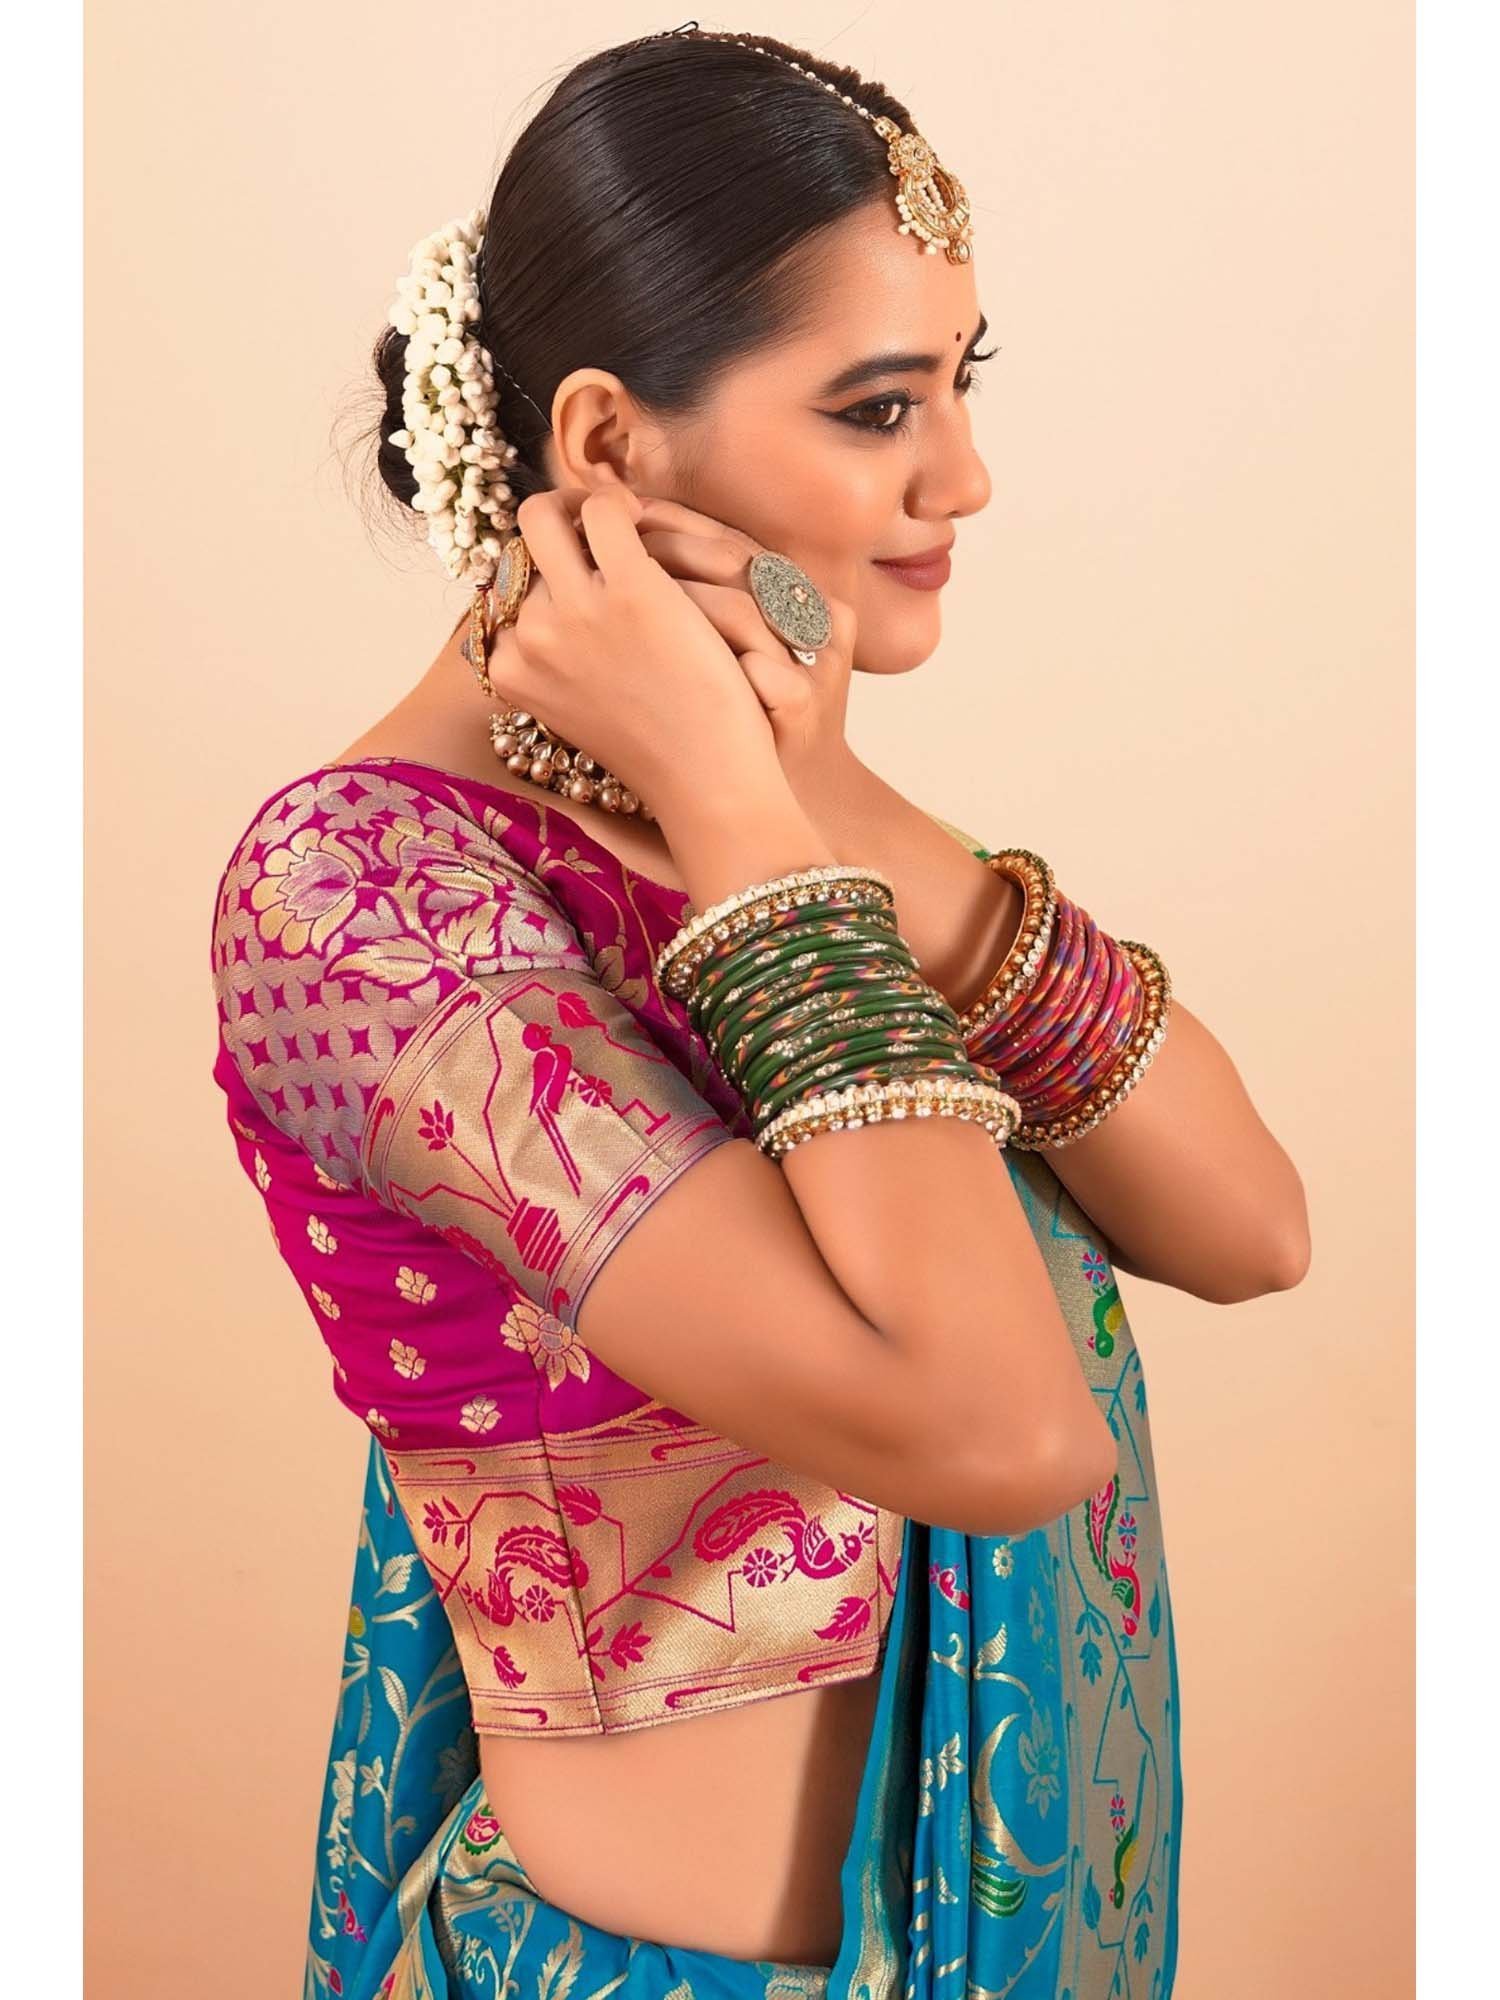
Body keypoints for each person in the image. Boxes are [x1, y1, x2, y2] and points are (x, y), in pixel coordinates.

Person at [208, 26, 1309, 2000]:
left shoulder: (773, 830)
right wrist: (747, 805)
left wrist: (802, 793)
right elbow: (1001, 1430)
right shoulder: (358, 898)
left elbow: (1252, 1224)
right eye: (880, 407)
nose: (964, 475)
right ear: (610, 446)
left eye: (962, 383)